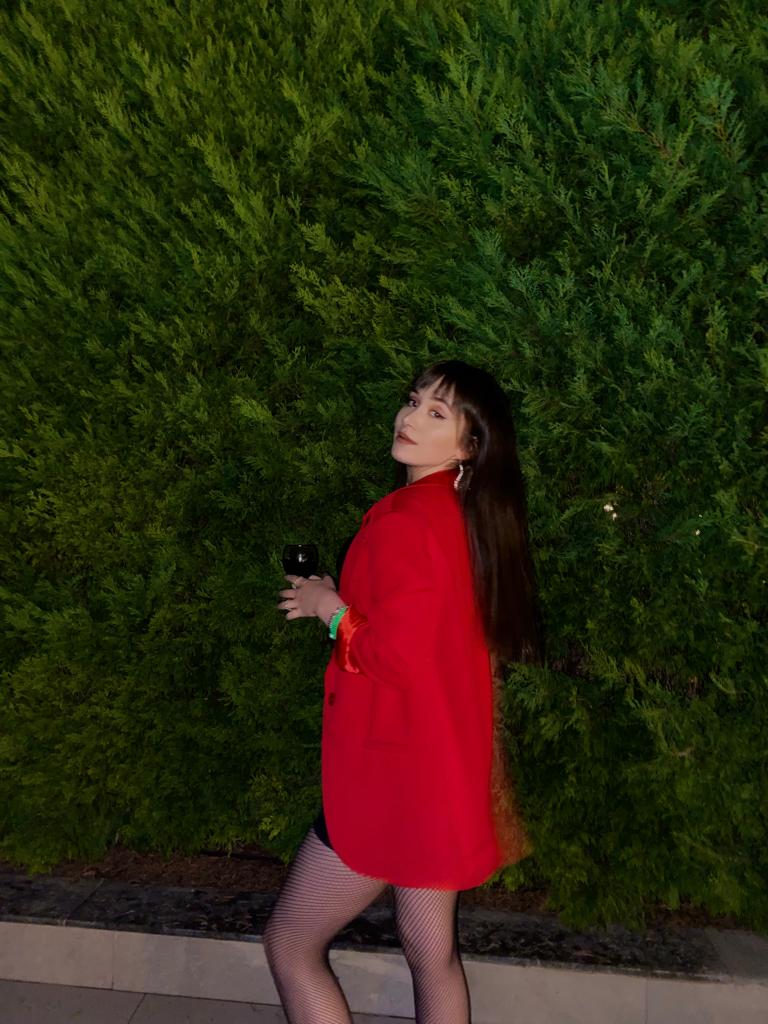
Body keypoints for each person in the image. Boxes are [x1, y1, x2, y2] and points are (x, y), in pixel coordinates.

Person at [267, 359, 542, 1024]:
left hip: (393, 781)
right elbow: (426, 633)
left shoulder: (408, 522)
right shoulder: (465, 518)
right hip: (442, 771)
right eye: (413, 401)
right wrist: (338, 599)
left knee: (291, 944)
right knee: (431, 952)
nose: (410, 417)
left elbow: (395, 655)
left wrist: (331, 609)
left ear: (469, 445)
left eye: (436, 413)